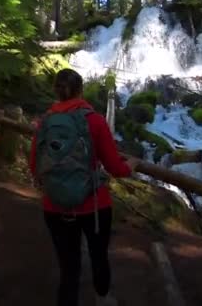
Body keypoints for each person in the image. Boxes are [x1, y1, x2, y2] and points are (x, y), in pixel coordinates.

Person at [29, 68, 138, 306]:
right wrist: (131, 165)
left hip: (55, 206)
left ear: (56, 92)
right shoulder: (95, 120)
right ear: (81, 90)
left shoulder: (45, 122)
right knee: (99, 256)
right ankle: (103, 298)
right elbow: (115, 168)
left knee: (69, 268)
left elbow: (34, 164)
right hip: (94, 206)